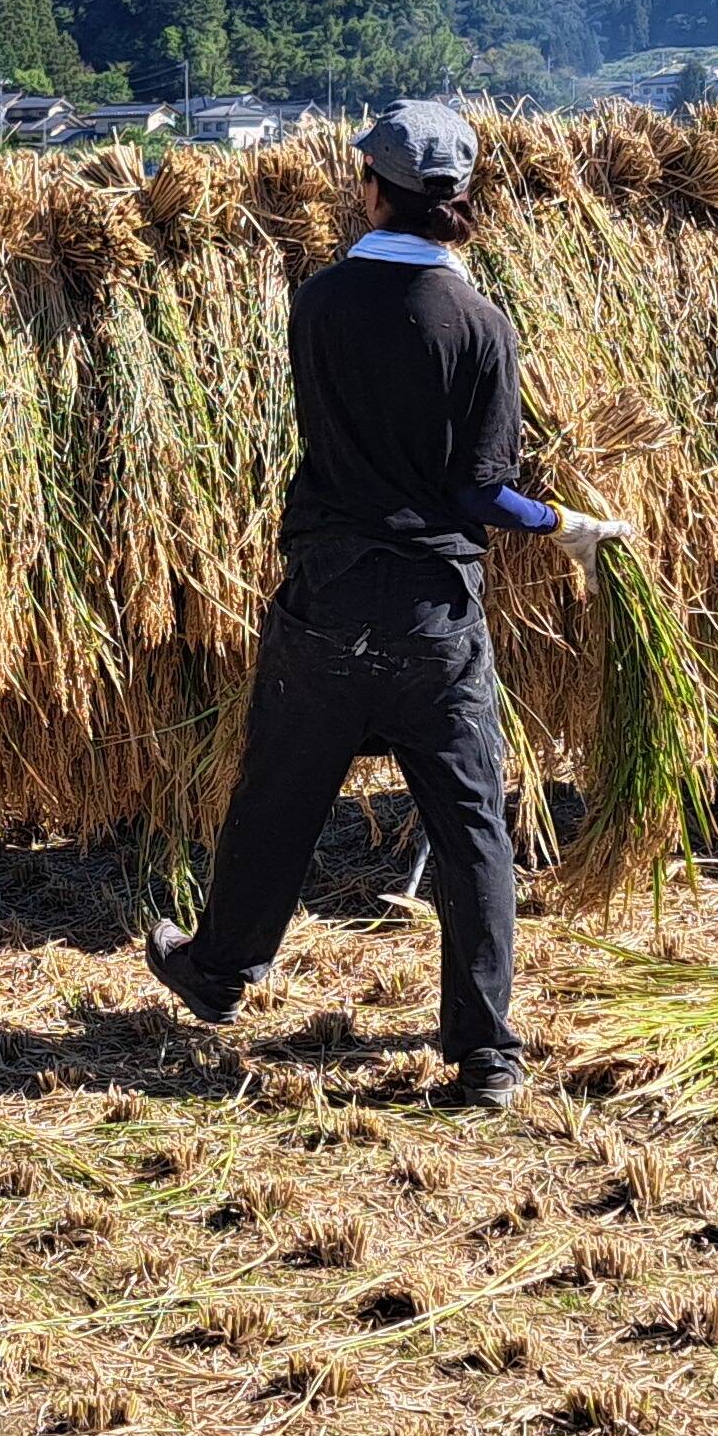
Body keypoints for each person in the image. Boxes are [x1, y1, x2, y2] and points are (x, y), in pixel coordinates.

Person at [146, 98, 623, 1110]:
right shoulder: (481, 326)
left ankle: (222, 970)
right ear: (459, 201)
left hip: (327, 599)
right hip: (434, 618)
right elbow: (475, 492)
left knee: (279, 793)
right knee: (467, 828)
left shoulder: (317, 303)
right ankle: (486, 1051)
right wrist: (561, 525)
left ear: (373, 190)